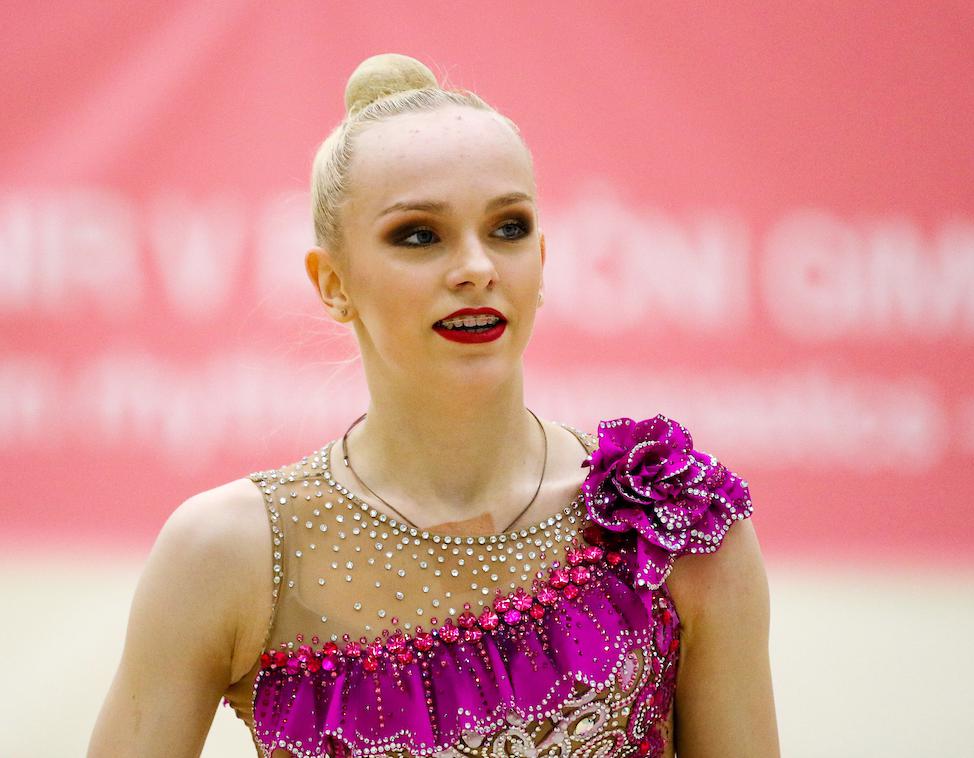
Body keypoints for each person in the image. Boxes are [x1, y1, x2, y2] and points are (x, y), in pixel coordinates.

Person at [89, 53, 779, 757]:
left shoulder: (671, 524)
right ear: (332, 282)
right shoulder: (228, 551)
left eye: (507, 228)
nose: (477, 267)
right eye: (420, 235)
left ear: (541, 257)